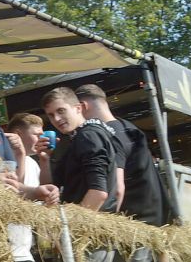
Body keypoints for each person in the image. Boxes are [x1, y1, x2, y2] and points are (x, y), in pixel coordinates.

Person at [75, 84, 167, 262]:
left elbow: (117, 189)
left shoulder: (109, 134)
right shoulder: (128, 127)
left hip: (134, 229)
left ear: (82, 107)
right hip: (152, 221)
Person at [40, 87, 118, 262]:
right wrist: (44, 160)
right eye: (51, 115)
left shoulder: (88, 136)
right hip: (95, 233)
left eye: (61, 111)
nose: (57, 119)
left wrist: (72, 231)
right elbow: (49, 189)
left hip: (88, 237)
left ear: (78, 108)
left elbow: (98, 192)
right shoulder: (81, 138)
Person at [5, 113, 61, 262]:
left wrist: (44, 160)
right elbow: (16, 191)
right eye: (37, 135)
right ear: (18, 134)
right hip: (5, 248)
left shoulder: (32, 162)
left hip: (25, 247)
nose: (42, 139)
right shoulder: (3, 157)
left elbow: (42, 191)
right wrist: (20, 154)